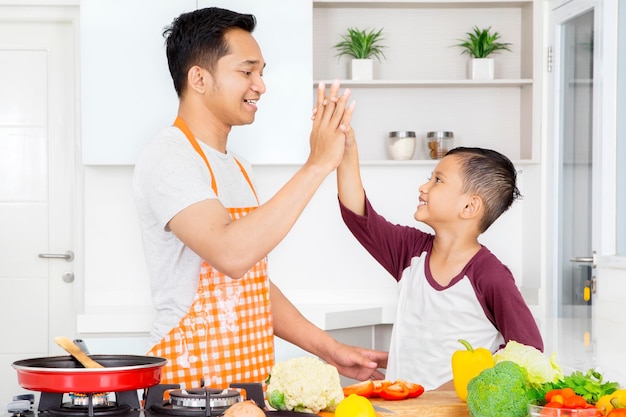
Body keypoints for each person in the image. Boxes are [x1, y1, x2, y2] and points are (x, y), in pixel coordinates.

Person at [133, 7, 387, 390]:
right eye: (246, 71)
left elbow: (251, 283)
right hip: (187, 390)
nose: (261, 85)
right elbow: (231, 255)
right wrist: (316, 165)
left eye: (261, 72)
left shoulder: (239, 167)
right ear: (199, 78)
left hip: (248, 385)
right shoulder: (169, 156)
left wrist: (327, 348)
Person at [336, 128, 543, 391]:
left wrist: (460, 384)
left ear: (469, 207)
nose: (424, 187)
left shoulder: (491, 276)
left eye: (438, 180)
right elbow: (358, 217)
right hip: (404, 408)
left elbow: (527, 352)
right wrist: (347, 149)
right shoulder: (410, 251)